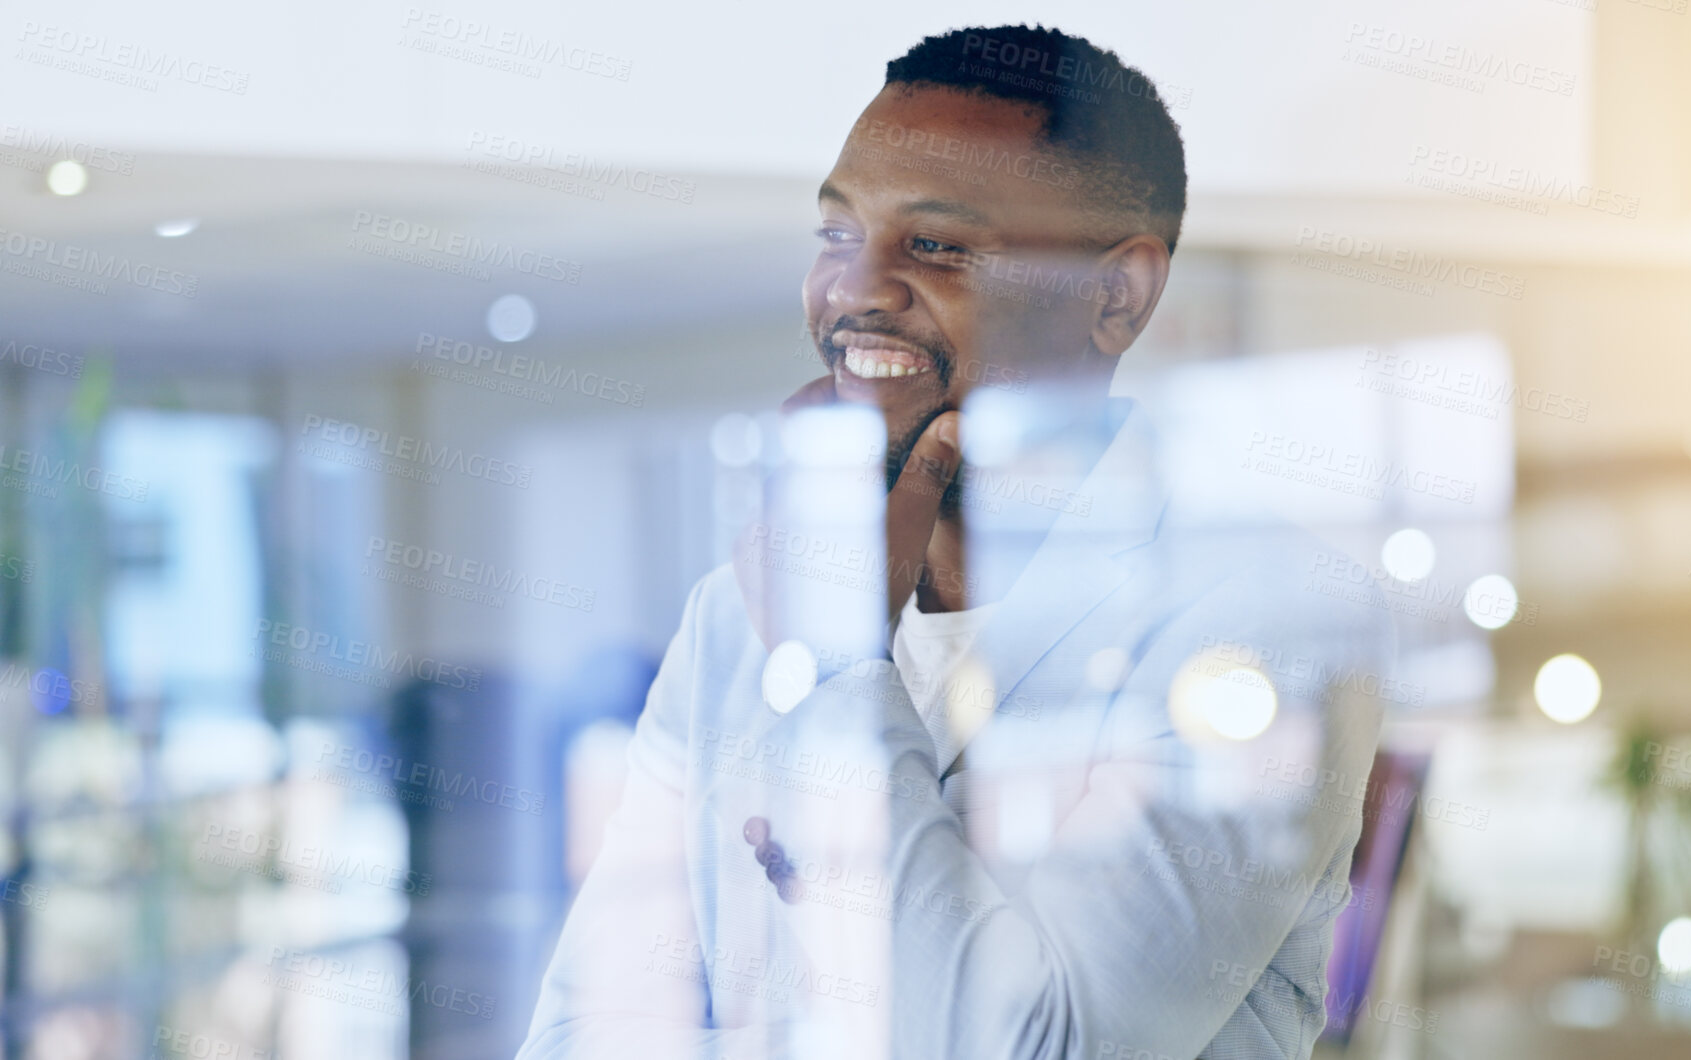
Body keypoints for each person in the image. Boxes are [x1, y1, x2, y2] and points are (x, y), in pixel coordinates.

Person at [520, 24, 1391, 1060]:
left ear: (1114, 296)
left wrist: (840, 663)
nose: (855, 291)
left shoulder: (1262, 619)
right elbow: (595, 1022)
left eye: (935, 245)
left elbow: (1042, 1045)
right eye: (839, 236)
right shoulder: (736, 613)